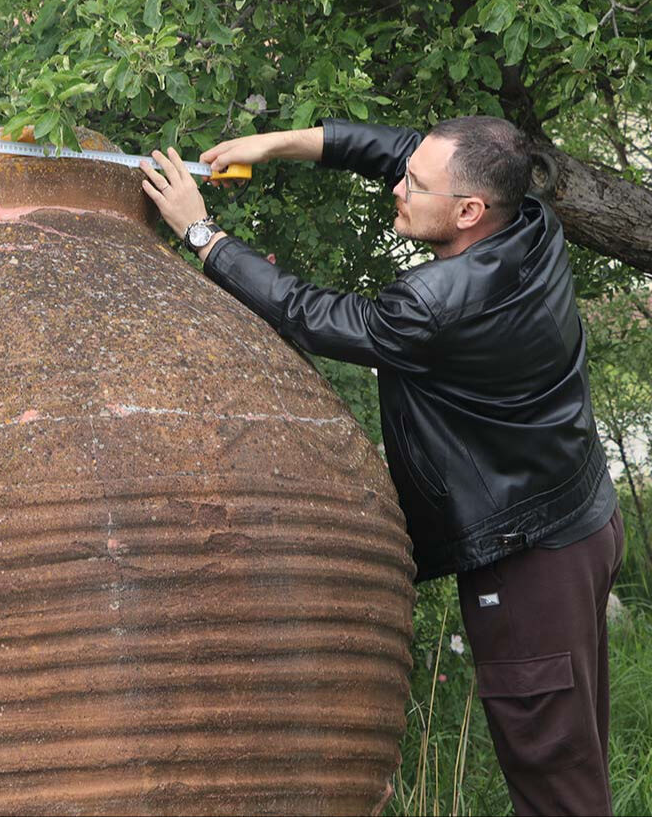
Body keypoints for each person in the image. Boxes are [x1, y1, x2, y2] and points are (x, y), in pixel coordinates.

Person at [137, 117, 623, 816]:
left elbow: (313, 315)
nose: (398, 186)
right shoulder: (529, 219)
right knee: (576, 757)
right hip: (579, 519)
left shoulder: (435, 305)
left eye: (414, 186)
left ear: (466, 212)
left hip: (529, 561)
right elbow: (397, 149)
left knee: (554, 778)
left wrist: (201, 235)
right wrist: (273, 144)